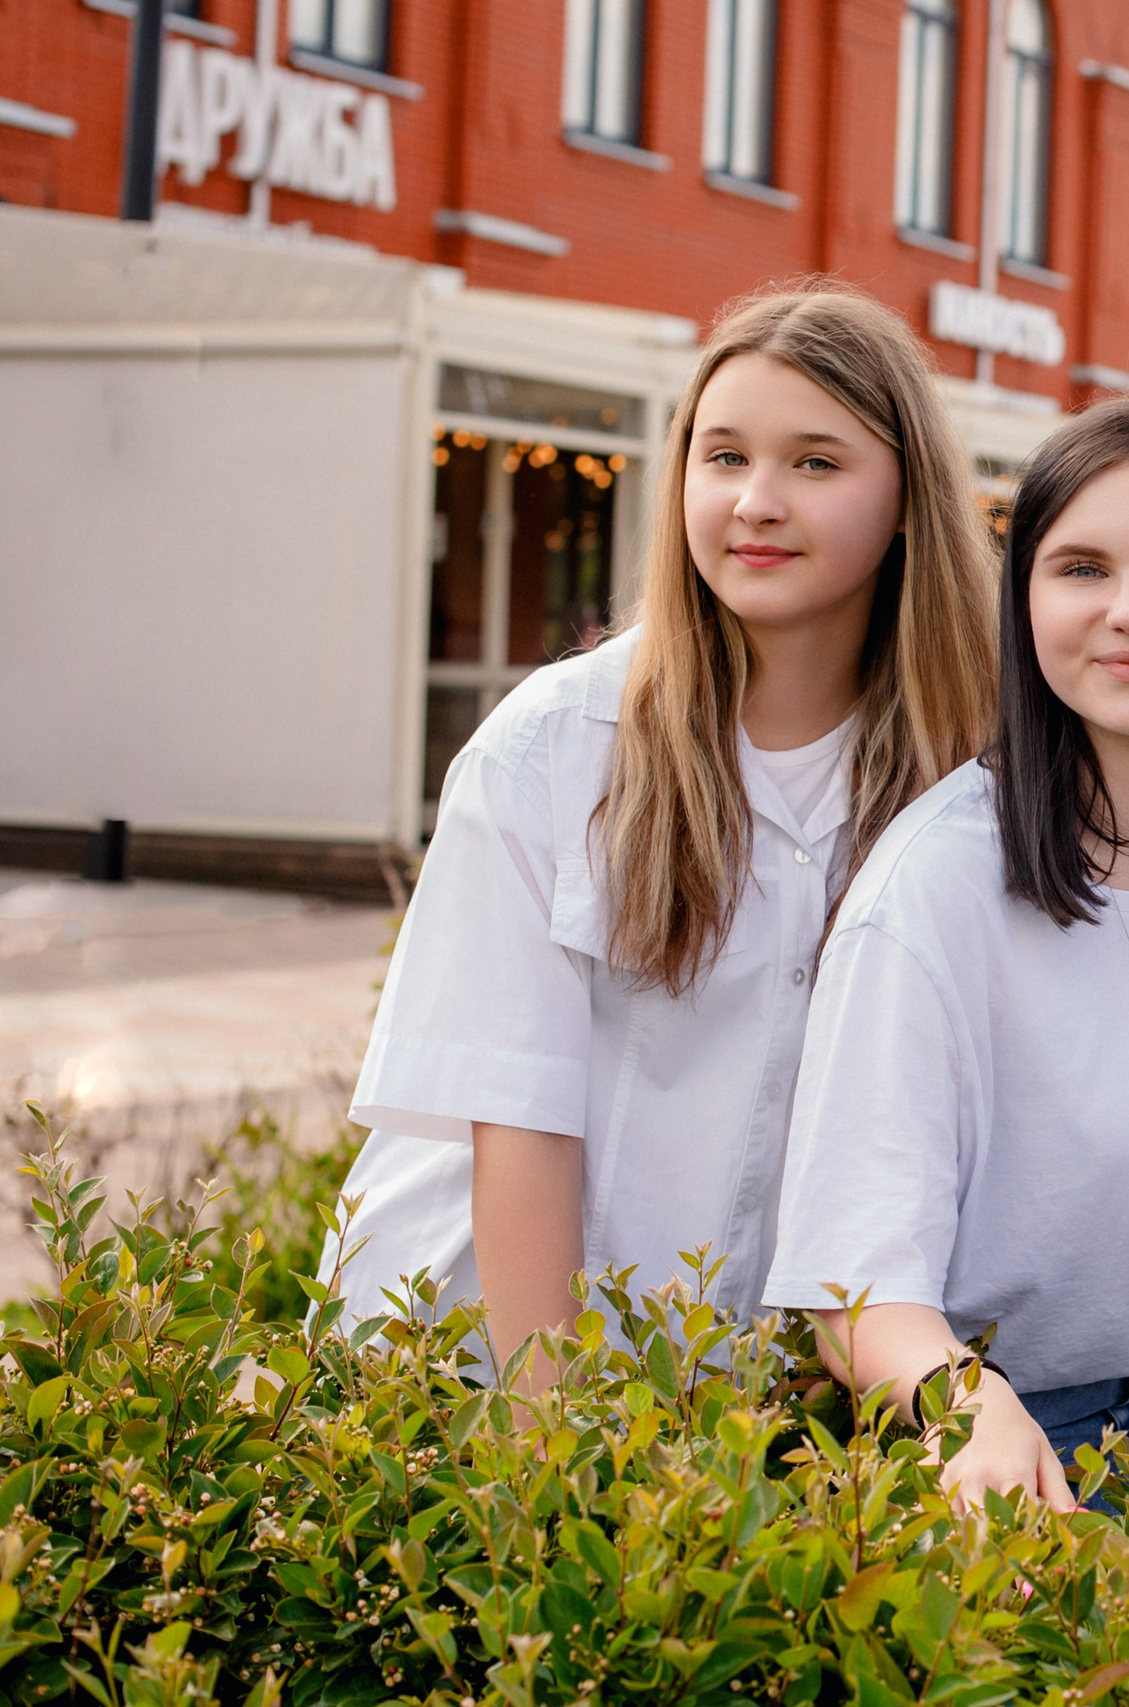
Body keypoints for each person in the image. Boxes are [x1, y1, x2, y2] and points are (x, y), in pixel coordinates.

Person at [321, 285, 999, 1387]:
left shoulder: (967, 774)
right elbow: (520, 1128)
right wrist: (548, 1444)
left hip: (728, 1395)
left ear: (908, 502)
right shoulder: (550, 752)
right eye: (723, 457)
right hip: (471, 1364)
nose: (756, 502)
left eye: (815, 463)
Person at [762, 393, 1129, 1509]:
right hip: (998, 1417)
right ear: (1025, 601)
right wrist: (973, 1405)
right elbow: (850, 1286)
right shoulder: (932, 893)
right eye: (1081, 568)